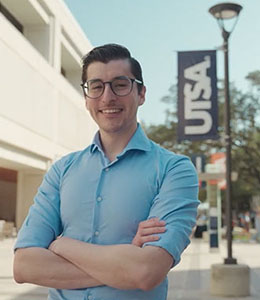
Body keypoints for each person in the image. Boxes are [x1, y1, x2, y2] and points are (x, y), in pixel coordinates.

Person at [13, 44, 199, 300]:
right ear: (86, 97)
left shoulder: (174, 170)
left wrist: (60, 245)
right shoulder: (61, 170)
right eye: (96, 86)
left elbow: (146, 271)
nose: (107, 97)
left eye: (120, 84)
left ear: (141, 93)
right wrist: (123, 266)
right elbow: (24, 265)